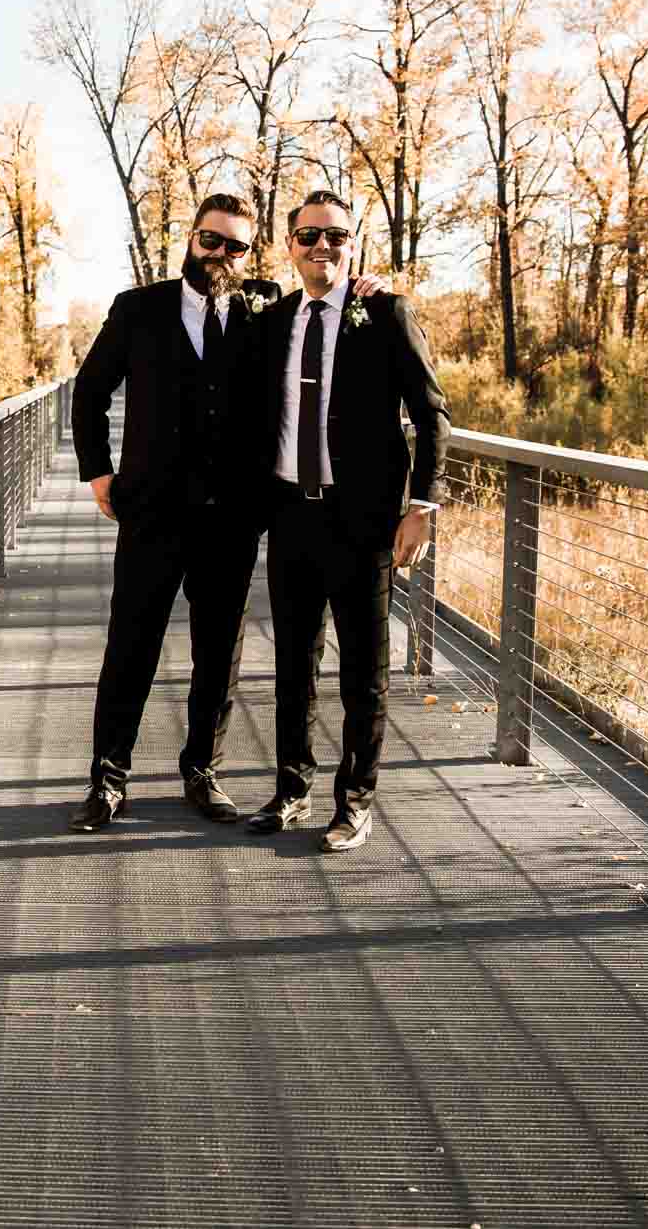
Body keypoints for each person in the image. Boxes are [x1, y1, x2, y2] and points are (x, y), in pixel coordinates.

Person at [67, 193, 281, 832]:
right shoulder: (139, 309)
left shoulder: (264, 308)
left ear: (249, 253)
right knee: (130, 645)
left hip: (232, 519)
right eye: (212, 241)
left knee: (219, 653)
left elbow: (328, 308)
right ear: (190, 238)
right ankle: (108, 781)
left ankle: (202, 772)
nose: (222, 255)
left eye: (236, 246)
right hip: (153, 513)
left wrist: (367, 284)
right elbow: (90, 390)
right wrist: (99, 472)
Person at [244, 190, 450, 853]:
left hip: (360, 522)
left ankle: (354, 802)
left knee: (364, 669)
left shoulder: (385, 313)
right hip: (290, 516)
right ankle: (291, 787)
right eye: (307, 236)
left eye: (334, 235)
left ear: (352, 242)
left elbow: (431, 414)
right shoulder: (275, 320)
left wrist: (421, 506)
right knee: (292, 666)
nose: (320, 247)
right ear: (290, 246)